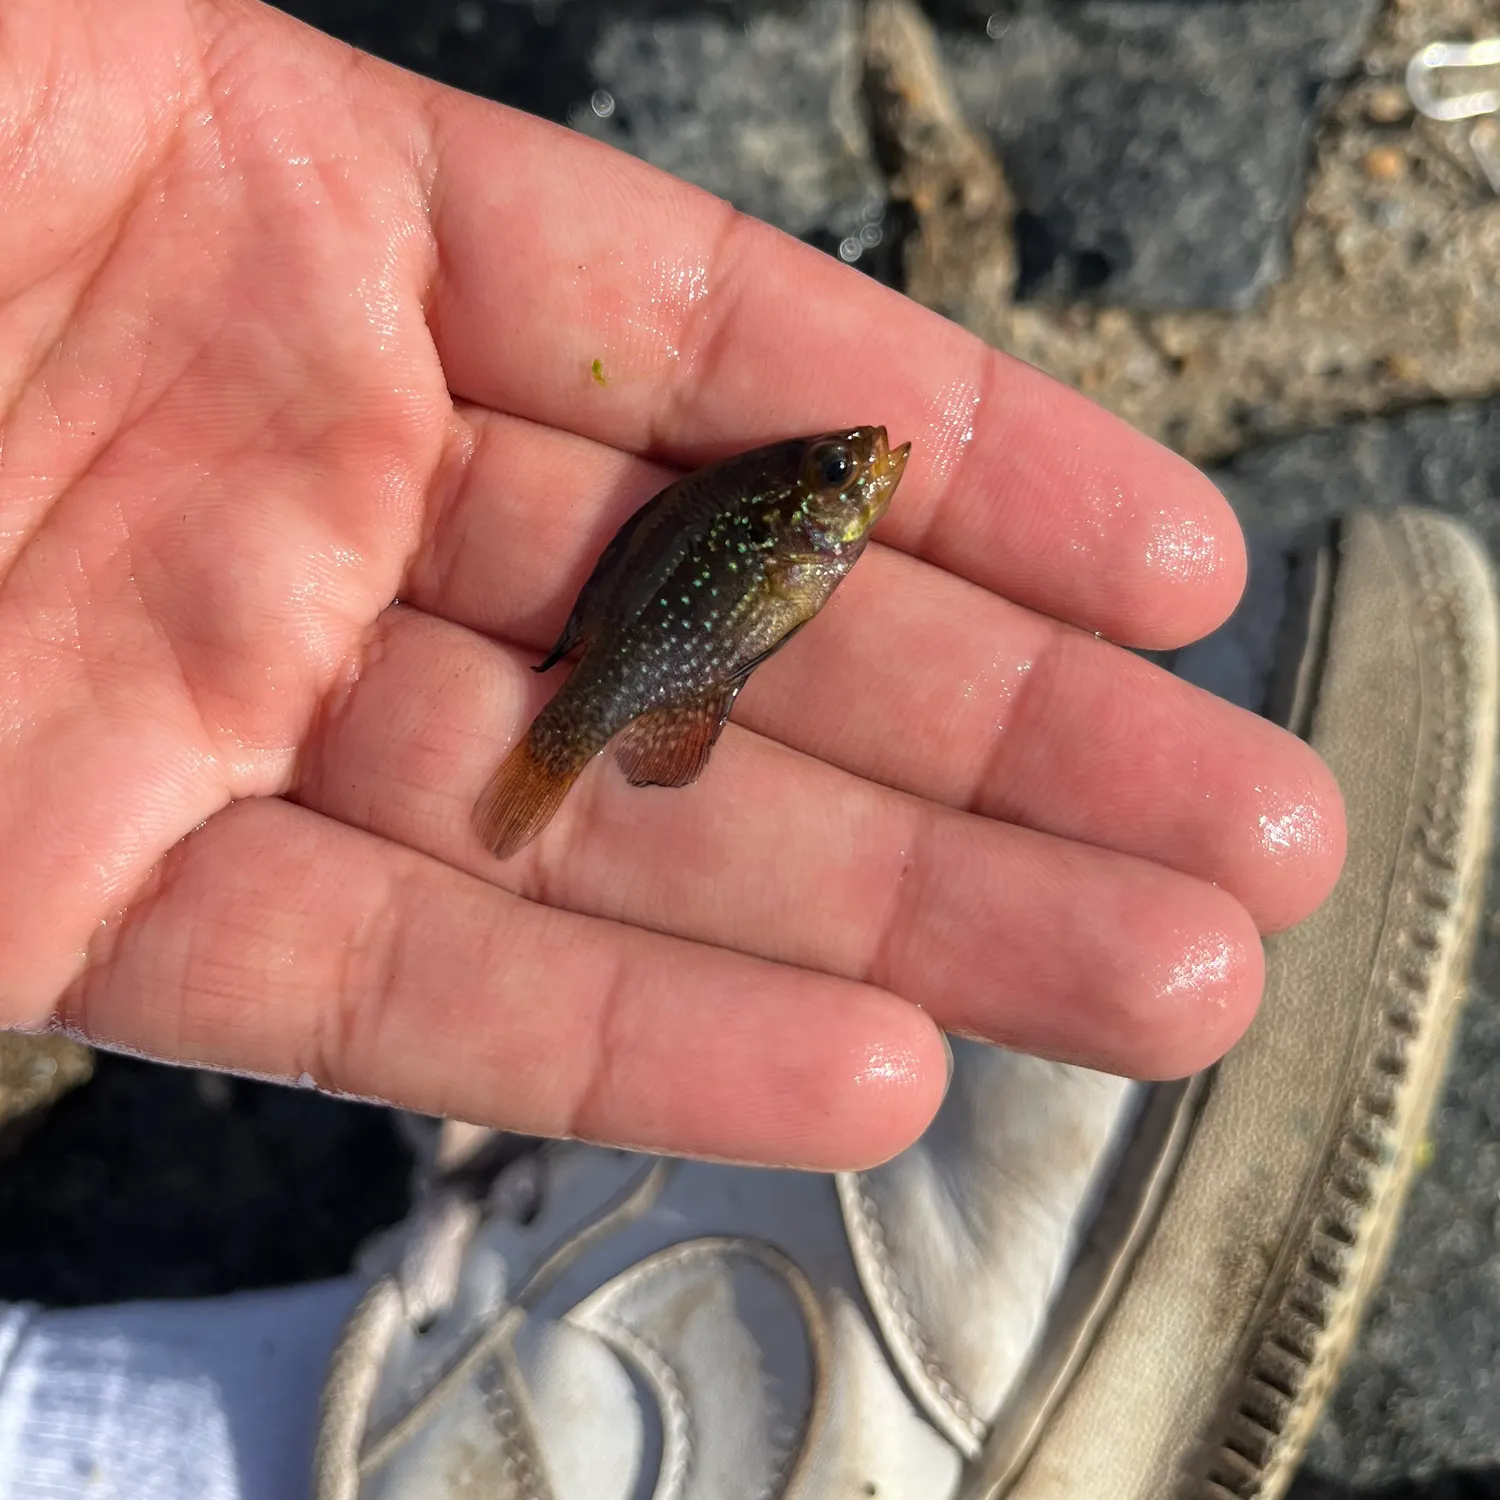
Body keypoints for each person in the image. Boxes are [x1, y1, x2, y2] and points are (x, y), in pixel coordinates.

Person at [2, 3, 1488, 1498]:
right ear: (810, 507)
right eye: (846, 472)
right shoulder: (789, 526)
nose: (868, 473)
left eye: (848, 470)